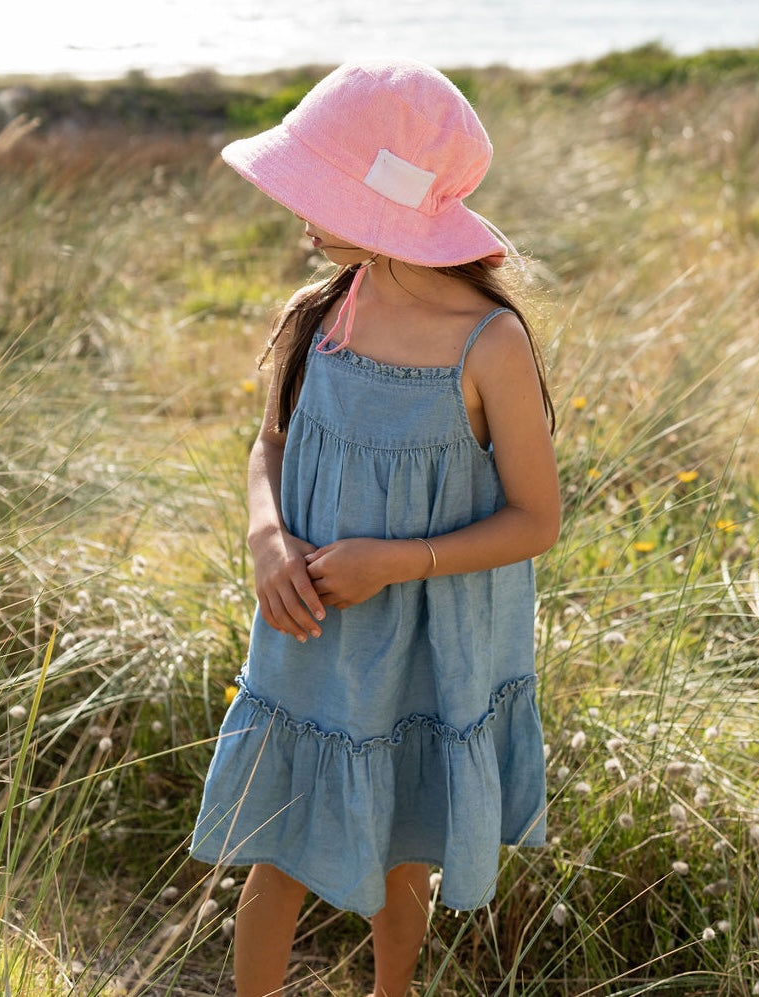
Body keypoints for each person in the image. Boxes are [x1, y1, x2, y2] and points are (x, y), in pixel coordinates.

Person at [190, 59, 560, 997]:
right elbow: (266, 447)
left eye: (316, 190)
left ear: (384, 208)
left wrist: (394, 560)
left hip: (430, 646)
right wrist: (267, 539)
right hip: (311, 631)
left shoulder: (489, 342)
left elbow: (536, 519)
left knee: (405, 856)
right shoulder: (319, 317)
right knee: (274, 855)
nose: (296, 211)